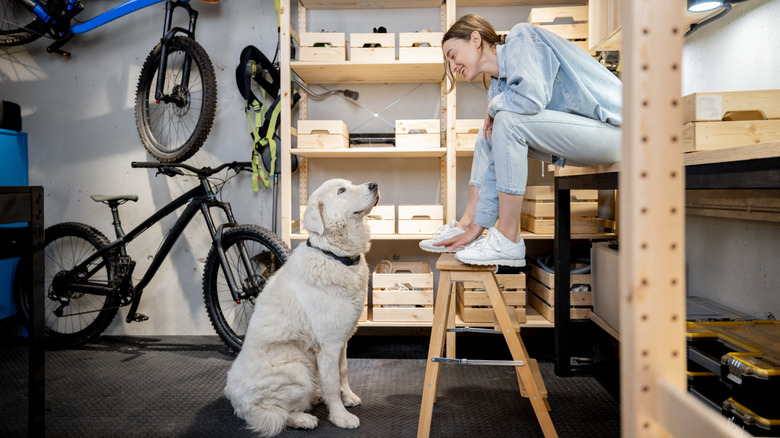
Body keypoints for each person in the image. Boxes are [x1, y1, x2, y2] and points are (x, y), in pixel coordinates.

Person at [420, 14, 622, 267]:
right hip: (589, 140)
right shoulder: (499, 85)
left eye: (452, 55)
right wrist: (479, 225)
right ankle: (469, 224)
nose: (453, 66)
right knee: (487, 136)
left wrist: (494, 106)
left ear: (475, 39)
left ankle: (508, 237)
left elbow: (532, 98)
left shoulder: (521, 37)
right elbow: (494, 161)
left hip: (621, 131)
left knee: (506, 120)